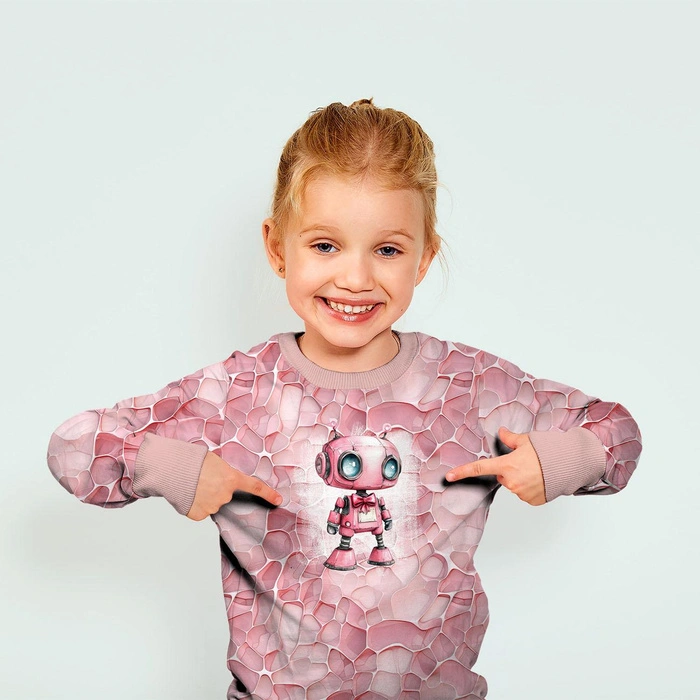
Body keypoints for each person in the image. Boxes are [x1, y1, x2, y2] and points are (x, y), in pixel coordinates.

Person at [47, 99, 642, 700]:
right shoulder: (235, 395)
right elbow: (72, 448)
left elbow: (617, 433)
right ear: (278, 248)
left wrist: (558, 459)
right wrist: (167, 466)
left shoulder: (472, 387)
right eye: (326, 246)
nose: (355, 279)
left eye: (387, 250)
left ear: (424, 257)